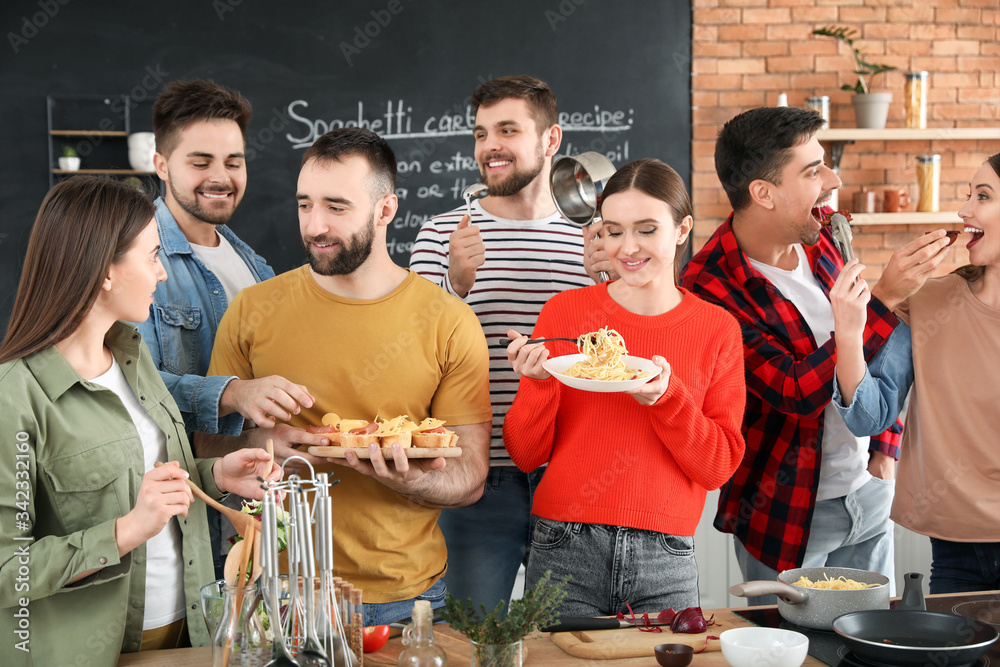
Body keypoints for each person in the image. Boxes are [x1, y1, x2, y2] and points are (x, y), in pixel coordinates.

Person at [200, 127, 493, 625]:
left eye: (336, 207)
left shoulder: (449, 321)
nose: (315, 226)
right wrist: (262, 441)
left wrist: (408, 480)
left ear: (385, 210)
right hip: (277, 592)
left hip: (405, 601)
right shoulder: (252, 310)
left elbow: (469, 478)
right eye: (305, 205)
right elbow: (206, 449)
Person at [0, 176, 279, 667]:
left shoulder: (133, 358)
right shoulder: (14, 397)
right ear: (105, 270)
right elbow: (6, 570)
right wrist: (125, 532)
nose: (163, 273)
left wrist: (211, 475)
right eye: (153, 255)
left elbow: (140, 479)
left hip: (187, 632)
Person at [680, 106, 948, 603]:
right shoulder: (707, 288)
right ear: (763, 192)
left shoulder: (821, 235)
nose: (832, 179)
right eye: (811, 171)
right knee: (790, 651)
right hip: (787, 510)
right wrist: (886, 296)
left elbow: (874, 347)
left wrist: (886, 448)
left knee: (871, 644)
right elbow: (793, 388)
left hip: (867, 494)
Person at [503, 159, 746, 615]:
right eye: (614, 231)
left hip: (666, 555)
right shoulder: (565, 314)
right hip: (562, 543)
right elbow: (526, 454)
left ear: (682, 229)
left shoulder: (717, 329)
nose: (628, 248)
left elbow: (717, 467)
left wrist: (665, 399)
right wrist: (537, 384)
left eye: (647, 229)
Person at [410, 75, 604, 613]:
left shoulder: (595, 238)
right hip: (476, 477)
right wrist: (455, 285)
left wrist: (608, 285)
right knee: (473, 635)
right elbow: (411, 358)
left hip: (574, 471)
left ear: (551, 140)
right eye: (480, 133)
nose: (489, 145)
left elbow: (623, 351)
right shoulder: (441, 235)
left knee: (570, 637)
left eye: (507, 130)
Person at [139, 79, 321, 579]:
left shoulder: (254, 264)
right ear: (161, 165)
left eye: (233, 162)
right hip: (175, 516)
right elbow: (133, 389)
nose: (220, 177)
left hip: (249, 508)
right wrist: (234, 395)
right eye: (200, 162)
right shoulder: (136, 260)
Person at [831, 153, 1000, 594]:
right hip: (956, 551)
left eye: (983, 196)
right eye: (968, 195)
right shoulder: (928, 301)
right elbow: (869, 416)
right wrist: (850, 334)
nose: (964, 211)